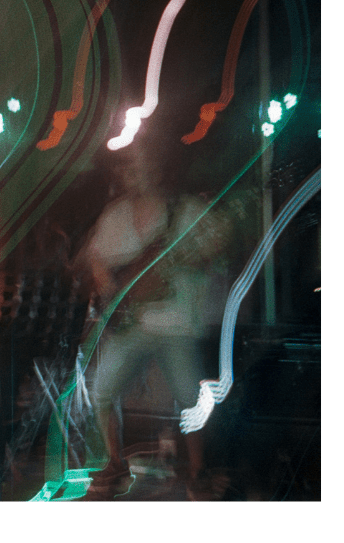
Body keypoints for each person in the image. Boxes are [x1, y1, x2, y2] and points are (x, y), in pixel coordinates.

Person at [78, 146, 231, 500]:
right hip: (131, 323)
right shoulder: (115, 215)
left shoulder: (186, 211)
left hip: (176, 323)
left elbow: (220, 248)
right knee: (101, 389)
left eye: (137, 166)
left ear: (157, 169)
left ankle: (197, 470)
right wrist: (112, 289)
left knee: (190, 396)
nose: (129, 174)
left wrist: (199, 258)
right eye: (126, 168)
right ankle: (116, 462)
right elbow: (96, 258)